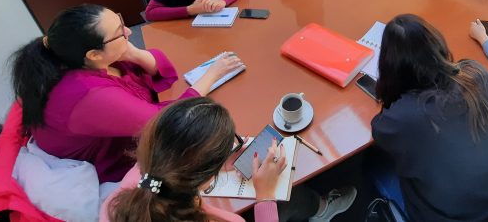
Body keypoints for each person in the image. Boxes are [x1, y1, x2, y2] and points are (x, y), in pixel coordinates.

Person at [10, 4, 244, 182]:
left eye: (121, 23)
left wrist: (132, 53)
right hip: (117, 167)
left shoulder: (88, 60)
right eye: (119, 32)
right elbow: (167, 122)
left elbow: (160, 71)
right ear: (93, 54)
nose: (129, 32)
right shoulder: (88, 95)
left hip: (131, 133)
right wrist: (212, 75)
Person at [372, 14, 488, 222]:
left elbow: (379, 131)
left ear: (389, 64)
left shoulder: (402, 117)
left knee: (373, 163)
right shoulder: (476, 72)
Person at [103, 97, 357, 222]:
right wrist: (265, 196)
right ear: (209, 175)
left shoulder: (124, 195)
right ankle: (320, 208)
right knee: (291, 197)